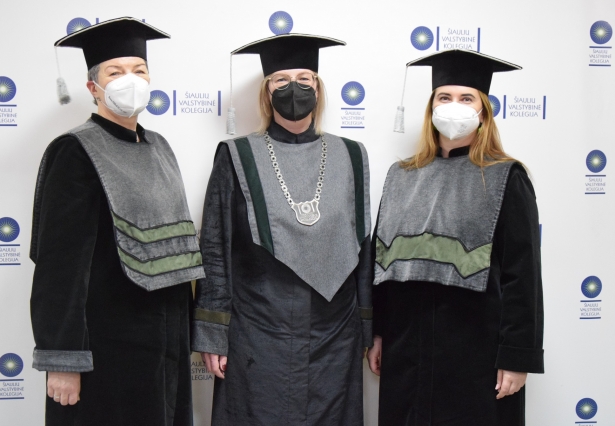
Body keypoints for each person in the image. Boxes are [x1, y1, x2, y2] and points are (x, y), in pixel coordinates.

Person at [29, 17, 205, 426]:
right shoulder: (76, 151)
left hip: (166, 343)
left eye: (139, 70)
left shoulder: (160, 147)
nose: (131, 80)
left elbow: (177, 252)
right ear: (93, 87)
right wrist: (64, 360)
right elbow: (60, 266)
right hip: (108, 345)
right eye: (116, 72)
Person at [192, 33, 373, 425]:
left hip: (335, 334)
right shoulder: (237, 155)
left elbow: (363, 246)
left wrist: (368, 327)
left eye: (305, 79)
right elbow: (215, 247)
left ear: (318, 89)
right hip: (257, 329)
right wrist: (212, 332)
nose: (295, 87)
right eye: (282, 80)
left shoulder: (352, 155)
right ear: (267, 91)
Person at [367, 49, 544, 426]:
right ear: (431, 107)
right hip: (407, 347)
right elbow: (381, 262)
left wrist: (516, 356)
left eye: (466, 99)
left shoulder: (505, 177)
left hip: (475, 351)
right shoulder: (401, 177)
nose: (453, 106)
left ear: (483, 112)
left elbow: (522, 275)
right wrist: (378, 333)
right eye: (444, 97)